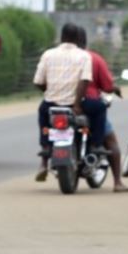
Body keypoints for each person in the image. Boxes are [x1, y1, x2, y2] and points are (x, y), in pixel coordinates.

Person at [32, 23, 97, 182]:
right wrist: (76, 104)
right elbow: (85, 81)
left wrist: (50, 91)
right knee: (87, 124)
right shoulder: (83, 56)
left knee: (45, 124)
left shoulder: (48, 54)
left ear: (61, 37)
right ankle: (91, 150)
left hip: (51, 104)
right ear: (77, 38)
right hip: (72, 105)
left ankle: (45, 154)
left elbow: (38, 81)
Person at [75, 27, 128, 193]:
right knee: (110, 139)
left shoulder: (56, 56)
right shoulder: (93, 58)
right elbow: (107, 85)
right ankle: (117, 182)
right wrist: (115, 88)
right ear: (84, 41)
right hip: (88, 103)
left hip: (60, 103)